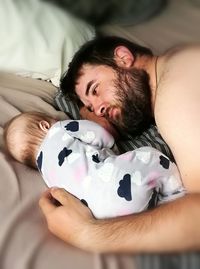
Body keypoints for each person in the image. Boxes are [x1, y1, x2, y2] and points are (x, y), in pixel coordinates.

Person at [39, 36, 200, 253]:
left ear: (123, 57)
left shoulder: (175, 89)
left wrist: (88, 234)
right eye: (92, 108)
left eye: (95, 90)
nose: (99, 110)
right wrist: (98, 127)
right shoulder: (181, 58)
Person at [4, 111, 184, 219]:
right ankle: (177, 192)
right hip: (121, 185)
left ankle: (157, 204)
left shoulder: (46, 174)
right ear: (44, 125)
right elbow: (97, 132)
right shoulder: (59, 129)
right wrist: (111, 146)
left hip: (106, 216)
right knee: (149, 156)